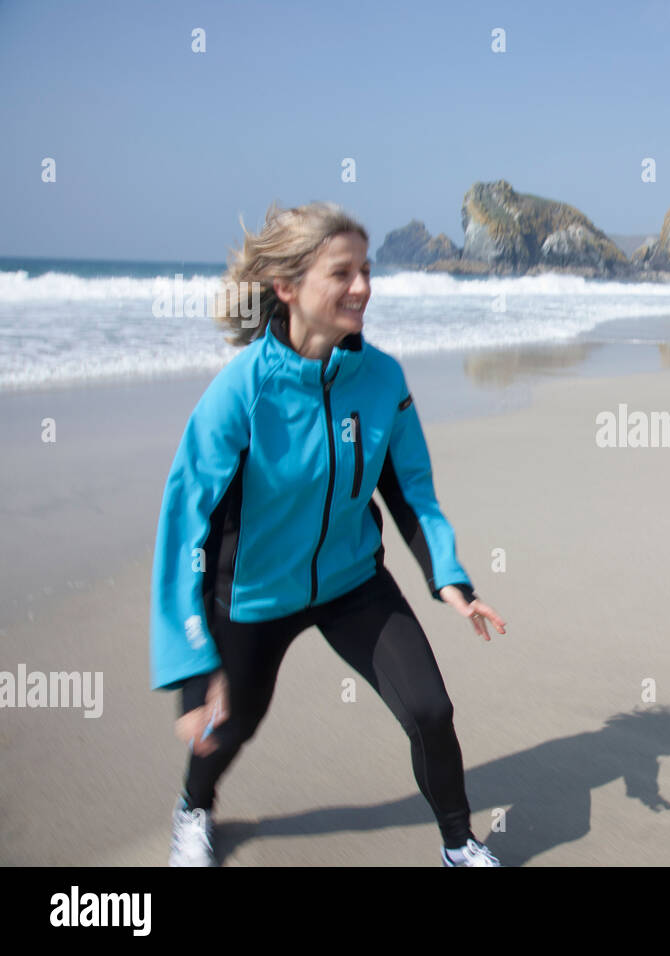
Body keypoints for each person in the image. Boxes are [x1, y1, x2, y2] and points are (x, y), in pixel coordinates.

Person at [150, 201, 506, 867]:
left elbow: (411, 490)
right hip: (253, 596)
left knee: (430, 709)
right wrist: (193, 671)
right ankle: (194, 806)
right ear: (286, 287)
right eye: (341, 272)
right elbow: (185, 528)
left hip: (352, 581)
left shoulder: (381, 379)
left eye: (366, 270)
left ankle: (460, 846)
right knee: (233, 724)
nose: (363, 286)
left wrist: (449, 576)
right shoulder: (241, 393)